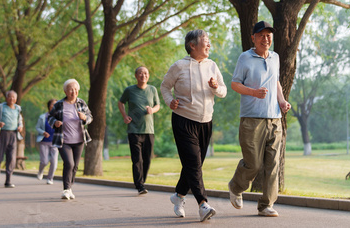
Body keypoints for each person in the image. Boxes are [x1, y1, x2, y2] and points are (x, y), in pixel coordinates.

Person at [161, 29, 227, 222]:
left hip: (205, 121)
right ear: (192, 45)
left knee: (194, 164)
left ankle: (179, 196)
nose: (208, 45)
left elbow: (223, 91)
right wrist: (169, 101)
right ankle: (203, 204)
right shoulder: (179, 66)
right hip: (183, 119)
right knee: (193, 163)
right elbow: (165, 86)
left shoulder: (212, 66)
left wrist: (216, 87)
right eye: (205, 41)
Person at [227, 21, 291, 217]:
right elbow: (235, 84)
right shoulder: (245, 58)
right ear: (253, 38)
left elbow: (276, 83)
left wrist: (282, 101)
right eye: (261, 35)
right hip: (251, 119)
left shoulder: (275, 57)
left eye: (268, 35)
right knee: (253, 163)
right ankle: (236, 187)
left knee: (273, 164)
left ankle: (266, 205)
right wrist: (254, 92)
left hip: (274, 118)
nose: (266, 39)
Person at [118, 66, 160, 195]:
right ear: (136, 76)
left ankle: (142, 181)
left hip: (148, 130)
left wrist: (152, 110)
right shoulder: (129, 90)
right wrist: (125, 116)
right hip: (134, 129)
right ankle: (140, 185)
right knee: (137, 159)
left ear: (148, 76)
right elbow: (121, 102)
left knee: (147, 158)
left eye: (146, 73)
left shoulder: (152, 89)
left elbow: (158, 105)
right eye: (140, 73)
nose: (143, 75)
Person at [48, 79, 92, 200]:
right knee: (69, 163)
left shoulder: (81, 103)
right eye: (71, 89)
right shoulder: (59, 104)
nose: (73, 92)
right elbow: (49, 117)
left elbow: (90, 116)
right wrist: (55, 122)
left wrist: (84, 118)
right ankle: (66, 189)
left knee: (75, 166)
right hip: (64, 139)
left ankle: (69, 188)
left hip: (79, 140)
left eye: (76, 89)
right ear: (65, 91)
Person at [0, 90, 24, 188]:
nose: (11, 99)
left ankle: (8, 181)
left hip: (13, 134)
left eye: (13, 97)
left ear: (16, 99)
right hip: (2, 134)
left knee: (11, 158)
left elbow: (20, 121)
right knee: (0, 158)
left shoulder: (18, 108)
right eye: (10, 97)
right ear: (6, 98)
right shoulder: (0, 107)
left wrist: (20, 126)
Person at [36, 99, 59, 185]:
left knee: (54, 162)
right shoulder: (43, 117)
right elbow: (37, 128)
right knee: (44, 161)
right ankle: (40, 171)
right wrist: (43, 132)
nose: (54, 106)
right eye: (52, 105)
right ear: (49, 106)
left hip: (54, 142)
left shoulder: (60, 117)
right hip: (44, 142)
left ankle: (50, 178)